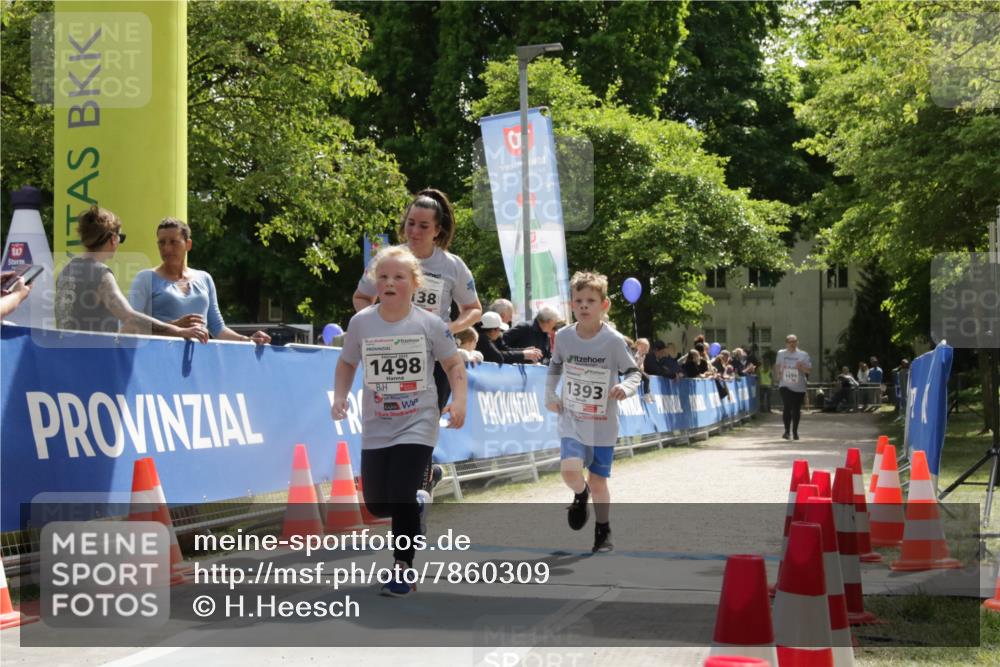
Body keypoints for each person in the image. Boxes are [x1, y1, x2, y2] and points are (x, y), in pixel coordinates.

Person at [332, 245, 467, 597]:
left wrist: (459, 401)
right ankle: (417, 502)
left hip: (418, 420)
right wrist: (340, 396)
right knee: (377, 503)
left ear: (414, 282)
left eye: (398, 277)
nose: (389, 283)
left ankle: (402, 568)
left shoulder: (430, 324)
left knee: (403, 493)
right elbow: (347, 362)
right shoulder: (361, 323)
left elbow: (453, 364)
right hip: (377, 422)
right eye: (383, 277)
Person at [353, 189, 482, 491]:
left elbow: (474, 309)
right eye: (411, 223)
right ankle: (421, 480)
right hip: (390, 358)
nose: (414, 231)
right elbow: (361, 298)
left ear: (438, 230)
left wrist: (449, 327)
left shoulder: (452, 266)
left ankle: (416, 503)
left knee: (420, 434)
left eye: (424, 226)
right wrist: (377, 320)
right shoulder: (386, 260)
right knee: (393, 431)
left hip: (435, 361)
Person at [545, 271, 640, 553]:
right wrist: (550, 393)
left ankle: (603, 528)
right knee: (569, 471)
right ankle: (579, 493)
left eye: (590, 300)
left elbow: (635, 372)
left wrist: (626, 387)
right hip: (573, 418)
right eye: (578, 301)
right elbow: (554, 366)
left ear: (604, 305)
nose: (584, 306)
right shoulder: (563, 337)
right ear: (571, 305)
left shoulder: (612, 341)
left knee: (599, 482)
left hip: (603, 423)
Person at [55, 205, 207, 342]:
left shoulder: (66, 270)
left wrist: (171, 326)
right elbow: (129, 318)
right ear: (114, 239)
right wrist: (179, 331)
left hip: (65, 359)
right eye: (121, 238)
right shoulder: (100, 273)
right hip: (95, 362)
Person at [126, 218, 270, 344]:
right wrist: (175, 328)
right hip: (160, 361)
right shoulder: (145, 278)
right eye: (162, 243)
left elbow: (218, 329)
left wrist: (249, 340)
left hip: (197, 364)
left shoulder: (204, 278)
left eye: (173, 242)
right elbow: (130, 326)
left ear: (188, 244)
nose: (167, 248)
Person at [774, 334, 811, 440]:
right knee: (787, 406)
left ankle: (795, 432)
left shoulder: (803, 354)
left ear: (797, 343)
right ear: (786, 343)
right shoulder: (781, 353)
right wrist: (779, 374)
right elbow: (777, 366)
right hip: (785, 384)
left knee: (796, 409)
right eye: (790, 342)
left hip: (799, 386)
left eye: (794, 341)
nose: (792, 344)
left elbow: (808, 370)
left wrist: (801, 367)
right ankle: (786, 432)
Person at [488, 298, 542, 362]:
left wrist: (524, 351)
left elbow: (504, 349)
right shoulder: (484, 333)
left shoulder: (498, 331)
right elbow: (497, 355)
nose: (510, 320)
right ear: (502, 315)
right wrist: (523, 354)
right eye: (510, 316)